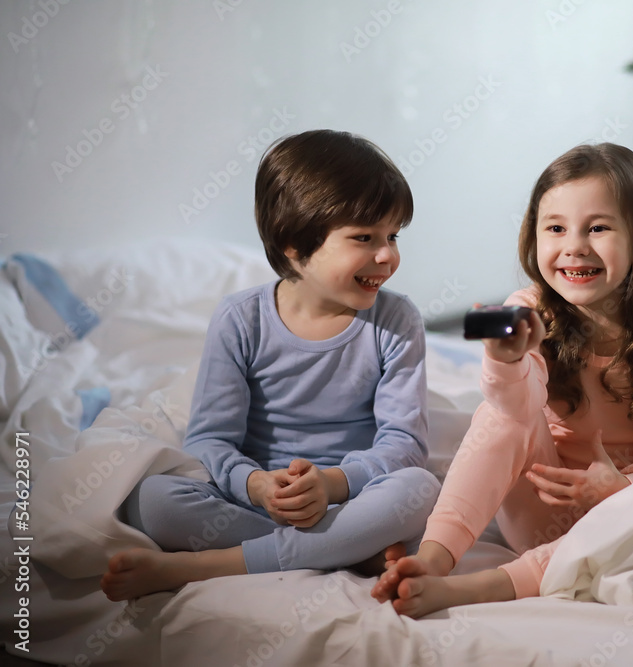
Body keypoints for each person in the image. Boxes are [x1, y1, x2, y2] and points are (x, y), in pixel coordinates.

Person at [371, 142, 633, 618]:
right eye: (555, 228)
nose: (574, 245)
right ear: (534, 240)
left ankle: (483, 588)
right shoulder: (532, 310)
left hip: (615, 515)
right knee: (502, 414)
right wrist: (506, 359)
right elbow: (515, 408)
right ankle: (432, 560)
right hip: (538, 503)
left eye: (598, 228)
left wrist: (621, 486)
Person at [101, 130, 440, 601]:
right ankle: (340, 548)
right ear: (293, 245)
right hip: (259, 506)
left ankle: (205, 567)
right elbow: (210, 440)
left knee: (420, 489)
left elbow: (403, 444)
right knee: (151, 501)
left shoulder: (396, 320)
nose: (387, 255)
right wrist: (258, 486)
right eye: (364, 238)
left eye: (393, 235)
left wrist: (333, 483)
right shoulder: (240, 319)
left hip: (350, 499)